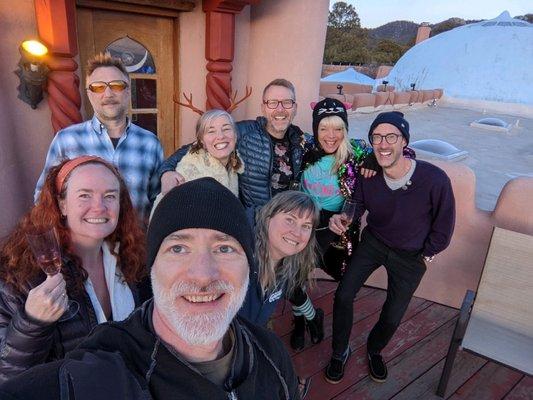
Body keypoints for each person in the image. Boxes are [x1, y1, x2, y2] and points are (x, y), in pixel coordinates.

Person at [0, 178, 299, 399]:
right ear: (153, 267)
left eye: (224, 248)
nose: (202, 275)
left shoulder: (270, 352)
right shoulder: (106, 367)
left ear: (249, 264)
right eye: (179, 248)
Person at [324, 111, 456, 384]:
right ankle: (340, 351)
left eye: (391, 136)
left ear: (404, 141)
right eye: (377, 137)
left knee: (393, 313)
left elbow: (444, 225)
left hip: (411, 256)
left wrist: (426, 251)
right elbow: (357, 205)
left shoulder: (435, 179)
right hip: (374, 242)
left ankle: (374, 349)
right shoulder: (368, 174)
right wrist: (344, 217)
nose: (383, 144)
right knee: (344, 294)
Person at [0, 156, 148, 382]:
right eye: (84, 195)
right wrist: (32, 323)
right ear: (62, 204)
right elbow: (7, 378)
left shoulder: (132, 261)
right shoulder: (19, 276)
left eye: (110, 196)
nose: (99, 207)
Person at [34, 53, 164, 221]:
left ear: (128, 92)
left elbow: (158, 199)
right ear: (89, 94)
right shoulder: (66, 140)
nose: (108, 93)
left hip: (136, 243)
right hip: (82, 246)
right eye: (98, 87)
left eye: (117, 85)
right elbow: (43, 197)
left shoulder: (149, 143)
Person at [159, 78, 311, 219]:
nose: (280, 109)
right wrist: (166, 172)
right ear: (263, 108)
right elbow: (196, 146)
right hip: (253, 226)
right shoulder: (244, 132)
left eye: (287, 102)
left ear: (295, 108)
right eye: (272, 102)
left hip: (285, 225)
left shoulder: (300, 141)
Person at [150, 109, 243, 218]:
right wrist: (166, 172)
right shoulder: (191, 173)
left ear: (235, 136)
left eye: (226, 129)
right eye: (211, 131)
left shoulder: (235, 164)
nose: (220, 136)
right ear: (202, 141)